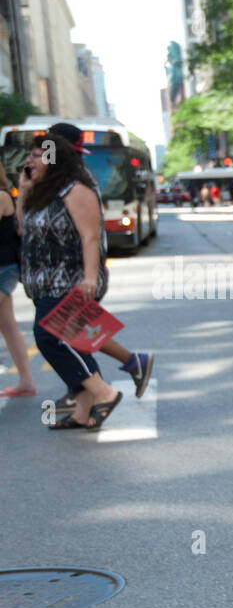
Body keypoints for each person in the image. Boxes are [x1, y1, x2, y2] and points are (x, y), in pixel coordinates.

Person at [16, 132, 122, 429]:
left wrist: (89, 278)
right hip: (41, 282)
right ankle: (83, 411)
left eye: (36, 155)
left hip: (69, 279)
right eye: (29, 155)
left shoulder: (76, 190)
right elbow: (24, 231)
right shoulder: (43, 192)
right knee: (74, 341)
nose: (29, 161)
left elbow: (90, 237)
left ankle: (104, 392)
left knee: (50, 338)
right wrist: (24, 190)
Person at [0, 163, 33, 397]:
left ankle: (26, 381)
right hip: (5, 267)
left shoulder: (1, 195)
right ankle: (26, 381)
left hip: (3, 267)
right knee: (8, 326)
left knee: (8, 326)